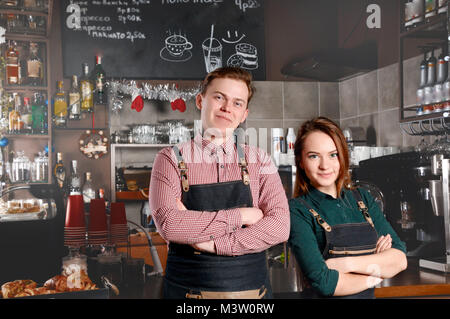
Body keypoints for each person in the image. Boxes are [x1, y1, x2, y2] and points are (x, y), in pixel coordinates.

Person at [149, 67, 290, 299]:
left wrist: (209, 244)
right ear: (200, 100)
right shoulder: (170, 159)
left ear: (244, 114)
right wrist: (243, 216)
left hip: (254, 296)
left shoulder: (259, 160)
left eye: (237, 103)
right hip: (187, 296)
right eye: (219, 97)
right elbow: (170, 225)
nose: (227, 108)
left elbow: (280, 227)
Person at [288, 117, 407, 299]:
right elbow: (325, 283)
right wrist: (378, 272)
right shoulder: (297, 210)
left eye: (333, 154)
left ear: (342, 156)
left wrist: (346, 264)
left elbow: (399, 260)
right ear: (301, 161)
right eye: (314, 156)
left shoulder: (363, 199)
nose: (324, 165)